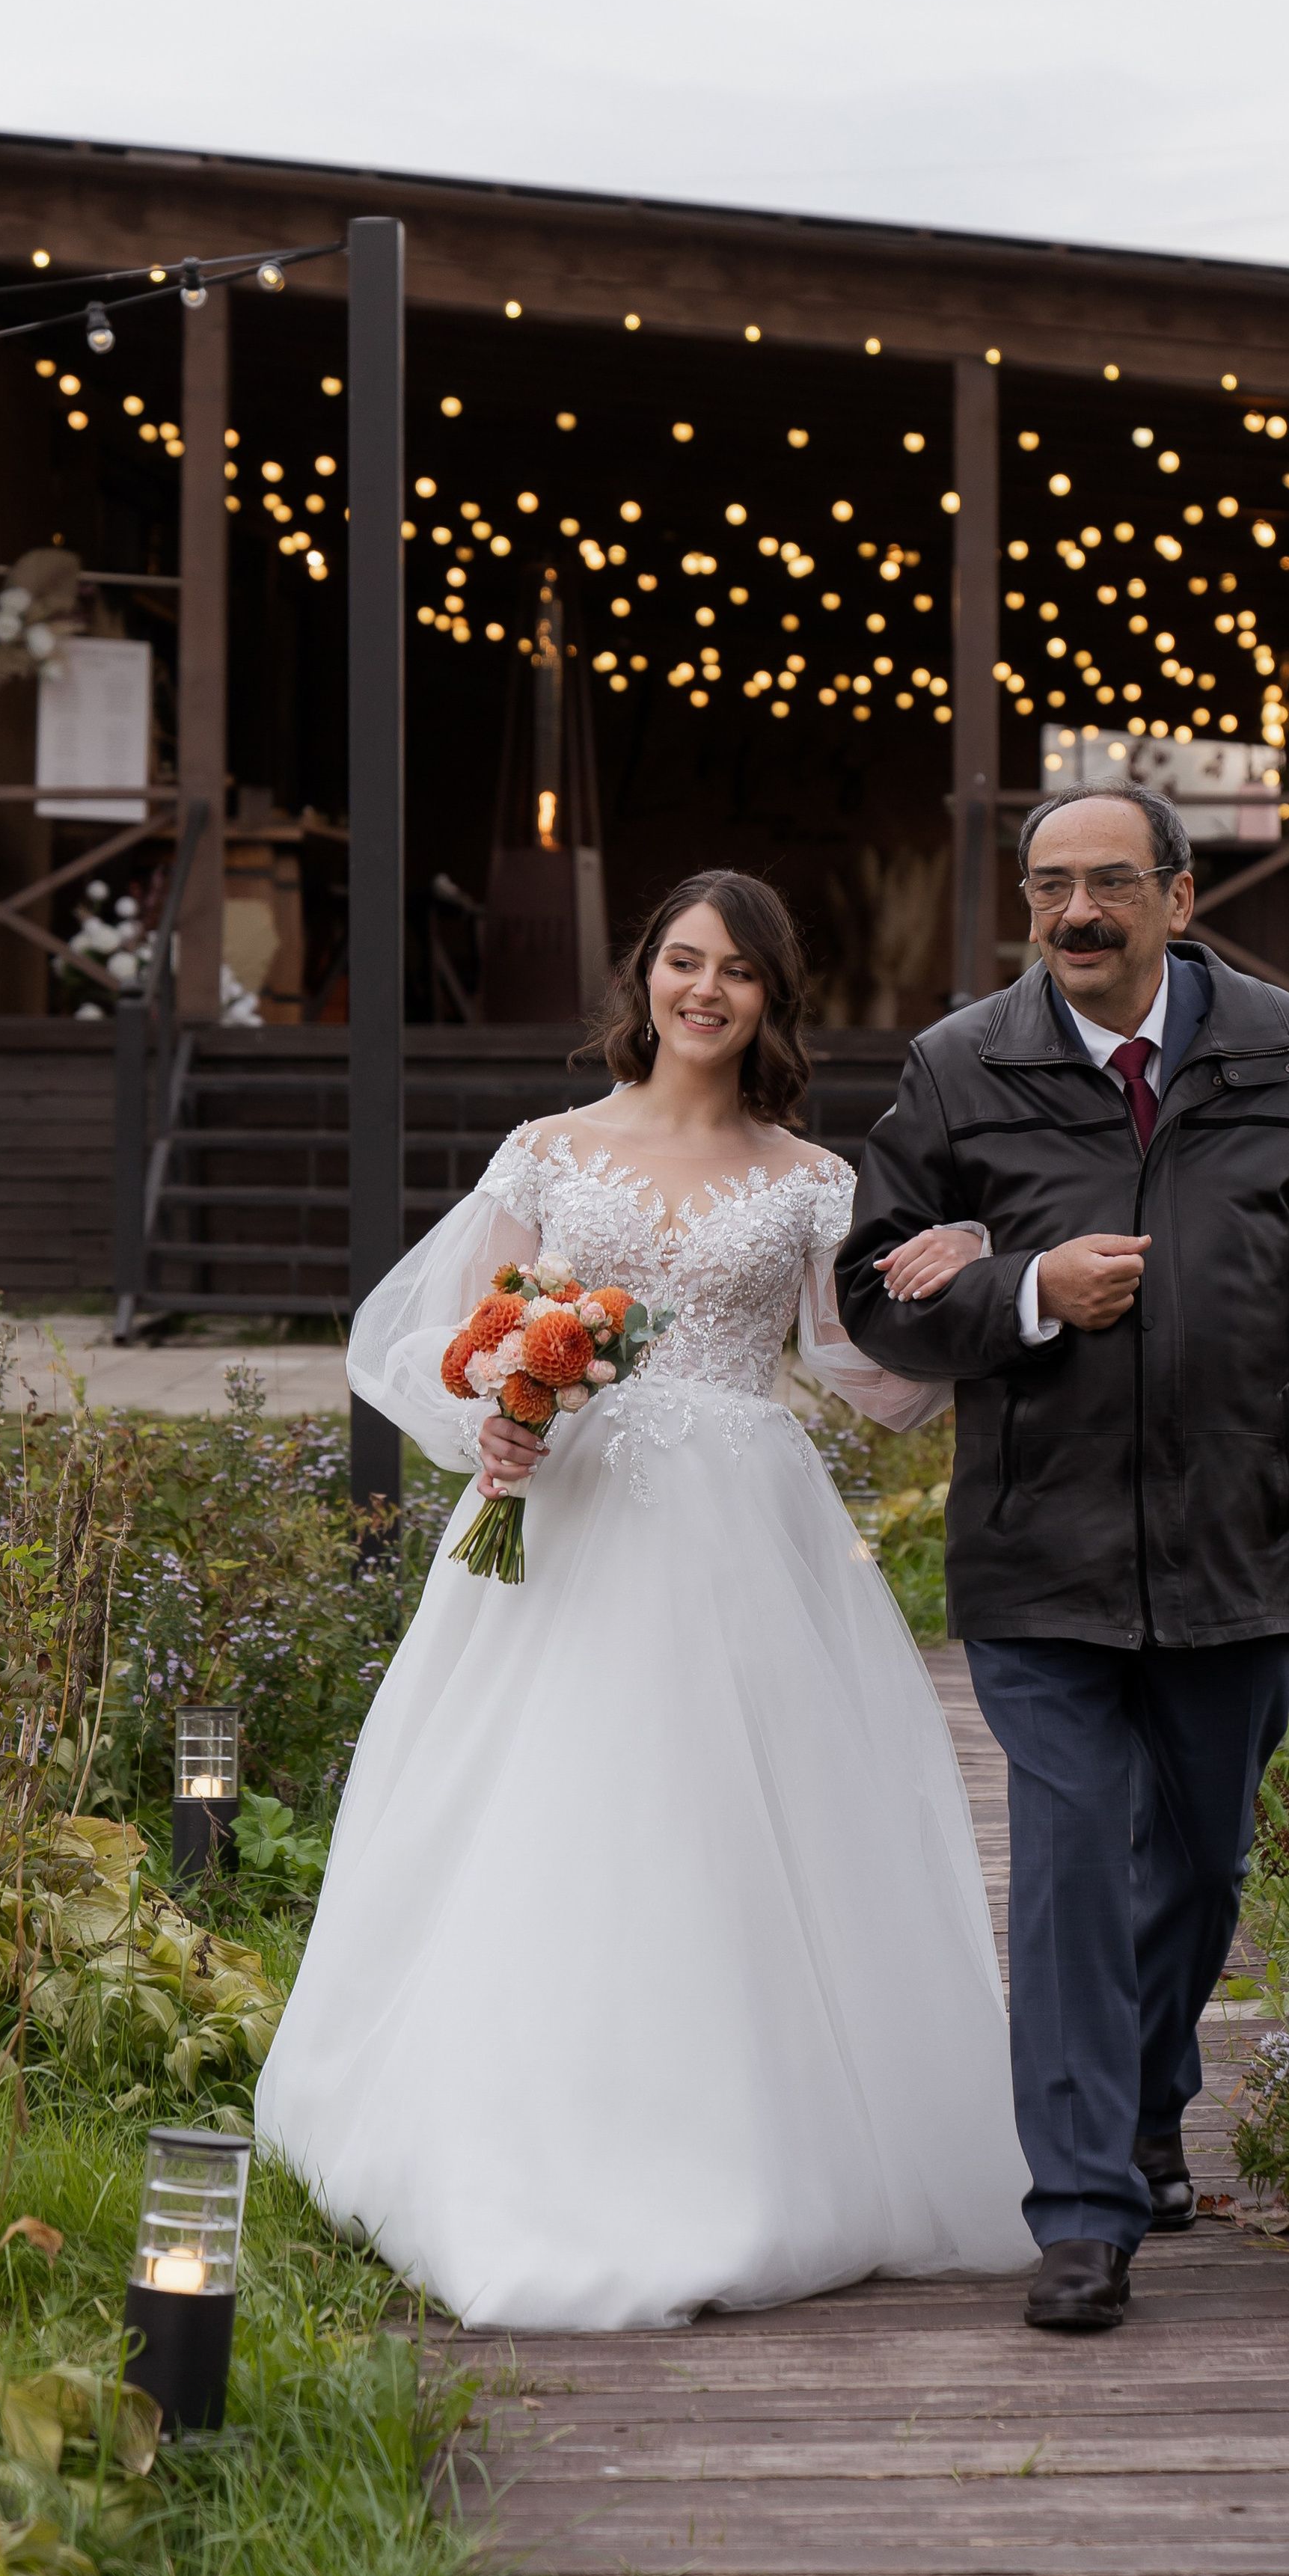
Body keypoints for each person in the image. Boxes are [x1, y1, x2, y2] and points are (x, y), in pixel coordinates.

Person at [255, 869, 1034, 2330]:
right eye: (682, 961)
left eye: (736, 970)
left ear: (768, 1001)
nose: (703, 990)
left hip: (748, 1529)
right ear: (644, 980)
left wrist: (966, 1287)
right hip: (565, 1520)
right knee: (544, 1816)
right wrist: (496, 1411)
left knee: (738, 1830)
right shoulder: (548, 1152)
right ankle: (511, 2130)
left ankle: (747, 2146)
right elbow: (445, 1335)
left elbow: (867, 1388)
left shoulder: (811, 1180)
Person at [836, 785, 1289, 2333]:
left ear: (1174, 893)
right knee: (1079, 1864)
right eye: (1045, 889)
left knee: (1203, 1865)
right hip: (1040, 1550)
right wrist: (1025, 1292)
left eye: (1105, 884)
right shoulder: (957, 1072)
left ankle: (1150, 2100)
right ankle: (1083, 2210)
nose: (1073, 914)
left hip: (1232, 1539)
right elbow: (872, 1301)